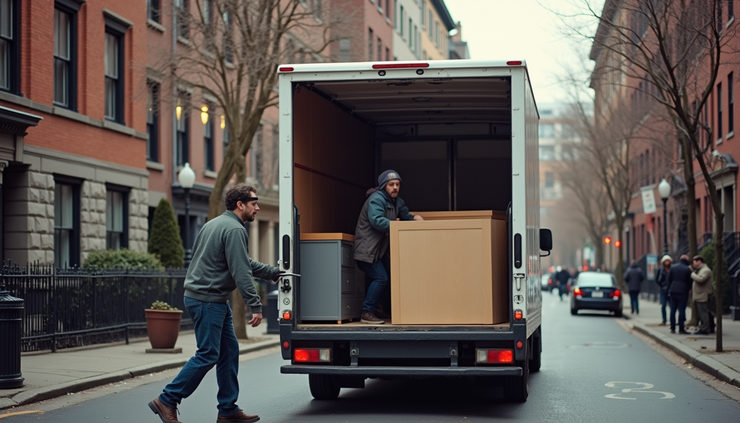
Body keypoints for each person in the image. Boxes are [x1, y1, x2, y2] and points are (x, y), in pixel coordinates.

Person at [149, 184, 281, 423]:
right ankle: (167, 399)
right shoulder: (234, 229)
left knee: (229, 352)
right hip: (207, 300)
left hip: (210, 298)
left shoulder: (215, 224)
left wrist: (273, 272)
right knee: (208, 353)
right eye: (254, 203)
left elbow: (243, 262)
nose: (258, 208)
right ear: (240, 204)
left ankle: (228, 409)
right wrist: (255, 305)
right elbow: (241, 271)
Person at [354, 170, 423, 325]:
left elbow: (407, 217)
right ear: (384, 185)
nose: (395, 187)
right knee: (381, 278)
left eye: (397, 184)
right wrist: (399, 224)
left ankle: (377, 308)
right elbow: (378, 221)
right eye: (391, 184)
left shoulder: (397, 202)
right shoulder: (376, 199)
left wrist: (415, 219)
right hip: (368, 249)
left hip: (380, 249)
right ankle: (367, 311)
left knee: (391, 277)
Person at [667, 254, 693, 334]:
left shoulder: (673, 267)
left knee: (673, 310)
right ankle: (681, 328)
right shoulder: (687, 269)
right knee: (681, 310)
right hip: (683, 291)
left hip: (673, 290)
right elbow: (690, 281)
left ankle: (672, 328)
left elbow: (669, 279)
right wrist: (689, 288)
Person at [690, 255, 714, 335]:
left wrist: (692, 274)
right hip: (700, 295)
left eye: (694, 262)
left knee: (703, 313)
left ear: (699, 261)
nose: (693, 264)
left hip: (703, 295)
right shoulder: (701, 269)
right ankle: (710, 327)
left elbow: (700, 279)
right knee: (704, 312)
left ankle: (705, 329)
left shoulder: (705, 270)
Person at [654, 255, 672, 325]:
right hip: (663, 290)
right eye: (666, 261)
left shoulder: (672, 269)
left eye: (668, 261)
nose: (667, 262)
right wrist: (661, 285)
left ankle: (671, 320)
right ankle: (664, 319)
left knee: (671, 306)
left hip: (670, 289)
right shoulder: (660, 269)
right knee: (663, 305)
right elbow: (656, 279)